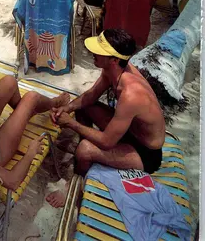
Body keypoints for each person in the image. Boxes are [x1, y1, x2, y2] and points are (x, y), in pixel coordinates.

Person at [46, 28, 165, 208]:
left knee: (85, 149)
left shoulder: (131, 94)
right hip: (129, 131)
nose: (92, 53)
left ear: (114, 60)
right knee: (86, 106)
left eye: (99, 52)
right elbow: (91, 96)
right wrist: (67, 108)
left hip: (145, 152)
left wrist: (70, 123)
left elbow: (107, 141)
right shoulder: (113, 70)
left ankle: (74, 186)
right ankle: (86, 158)